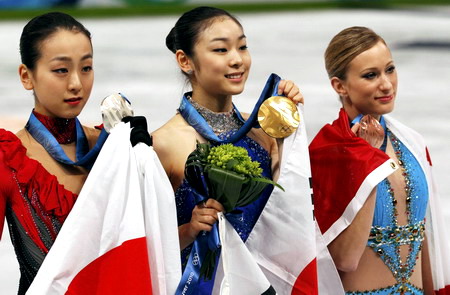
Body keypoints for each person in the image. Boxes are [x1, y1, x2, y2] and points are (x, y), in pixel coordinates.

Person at [152, 6, 303, 293]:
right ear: (185, 60)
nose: (237, 60)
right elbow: (142, 243)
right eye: (221, 50)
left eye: (243, 47)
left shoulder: (262, 131)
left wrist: (288, 129)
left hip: (263, 284)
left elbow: (286, 213)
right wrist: (190, 229)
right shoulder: (164, 142)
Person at [310, 26, 450, 294]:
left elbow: (425, 239)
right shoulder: (326, 151)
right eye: (370, 75)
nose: (386, 84)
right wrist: (367, 159)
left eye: (390, 69)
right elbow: (344, 258)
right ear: (340, 86)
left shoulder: (412, 143)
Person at [0, 12, 109, 294]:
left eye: (86, 68)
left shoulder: (114, 148)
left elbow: (151, 246)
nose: (76, 83)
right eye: (61, 70)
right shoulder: (9, 159)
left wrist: (192, 228)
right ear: (27, 76)